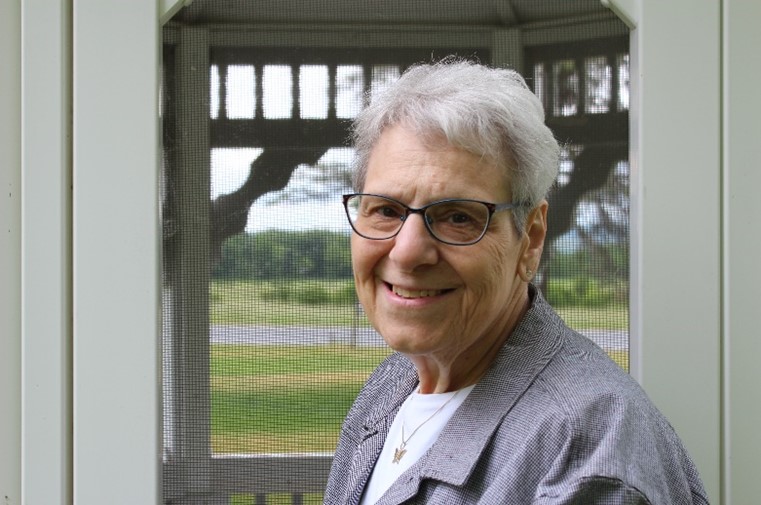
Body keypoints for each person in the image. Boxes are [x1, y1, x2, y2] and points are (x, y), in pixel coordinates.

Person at [324, 59, 708, 505]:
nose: (408, 252)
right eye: (386, 210)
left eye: (458, 217)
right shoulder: (395, 381)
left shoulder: (587, 459)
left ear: (531, 238)